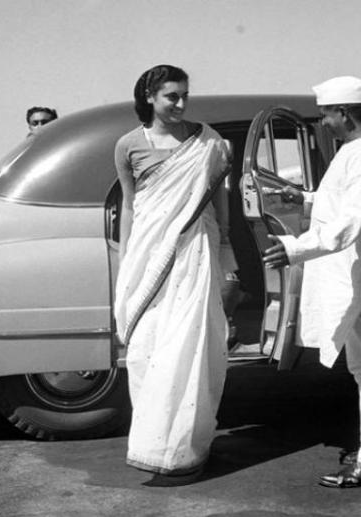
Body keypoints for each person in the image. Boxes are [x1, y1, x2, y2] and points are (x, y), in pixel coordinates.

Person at [262, 76, 361, 488]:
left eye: (326, 115)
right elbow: (345, 201)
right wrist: (307, 201)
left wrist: (296, 247)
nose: (323, 123)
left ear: (344, 113)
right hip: (359, 277)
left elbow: (353, 219)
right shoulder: (360, 149)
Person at [113, 64, 234, 480]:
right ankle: (151, 443)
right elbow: (132, 206)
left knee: (193, 347)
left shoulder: (208, 142)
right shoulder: (128, 145)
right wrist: (129, 258)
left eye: (184, 95)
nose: (181, 104)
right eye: (171, 96)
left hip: (196, 253)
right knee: (147, 349)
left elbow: (219, 200)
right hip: (149, 258)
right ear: (150, 95)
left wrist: (225, 246)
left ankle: (184, 448)